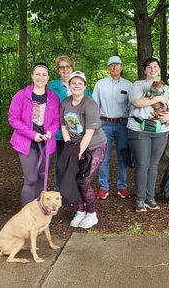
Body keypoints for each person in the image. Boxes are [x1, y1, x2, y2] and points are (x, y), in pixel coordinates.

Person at [127, 57, 169, 212]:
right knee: (143, 164)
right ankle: (140, 199)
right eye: (149, 67)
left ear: (159, 69)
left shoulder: (166, 88)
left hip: (160, 130)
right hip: (139, 129)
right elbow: (136, 102)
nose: (152, 69)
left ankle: (150, 198)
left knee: (154, 165)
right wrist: (158, 98)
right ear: (145, 70)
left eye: (155, 66)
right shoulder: (138, 85)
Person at [8, 63, 60, 206]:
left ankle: (39, 210)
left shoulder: (53, 97)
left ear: (48, 77)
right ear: (32, 76)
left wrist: (50, 132)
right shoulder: (21, 95)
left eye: (44, 74)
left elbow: (56, 121)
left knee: (42, 177)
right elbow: (13, 119)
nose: (40, 77)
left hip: (46, 142)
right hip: (27, 142)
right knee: (31, 179)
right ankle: (27, 212)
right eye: (37, 74)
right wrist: (32, 134)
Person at [60, 71, 107, 229]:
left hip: (94, 146)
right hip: (74, 146)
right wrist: (68, 146)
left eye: (80, 83)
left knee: (84, 179)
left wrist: (78, 153)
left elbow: (89, 132)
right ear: (69, 84)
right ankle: (80, 210)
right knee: (73, 178)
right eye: (74, 83)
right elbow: (63, 126)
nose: (77, 86)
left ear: (85, 86)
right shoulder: (65, 103)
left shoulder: (90, 104)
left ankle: (92, 213)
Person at [48, 56, 92, 190]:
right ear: (58, 70)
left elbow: (89, 109)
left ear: (72, 68)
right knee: (61, 163)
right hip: (60, 133)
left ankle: (74, 191)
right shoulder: (52, 87)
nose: (65, 69)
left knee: (78, 162)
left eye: (68, 66)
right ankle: (59, 191)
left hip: (79, 133)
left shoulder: (81, 86)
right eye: (62, 67)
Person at [92, 56, 133, 199]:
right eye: (111, 65)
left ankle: (122, 186)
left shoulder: (129, 85)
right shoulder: (100, 84)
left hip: (123, 124)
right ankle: (104, 187)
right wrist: (95, 126)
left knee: (123, 155)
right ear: (108, 68)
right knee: (104, 156)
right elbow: (94, 105)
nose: (114, 67)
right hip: (104, 124)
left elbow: (132, 106)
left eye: (117, 65)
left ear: (121, 67)